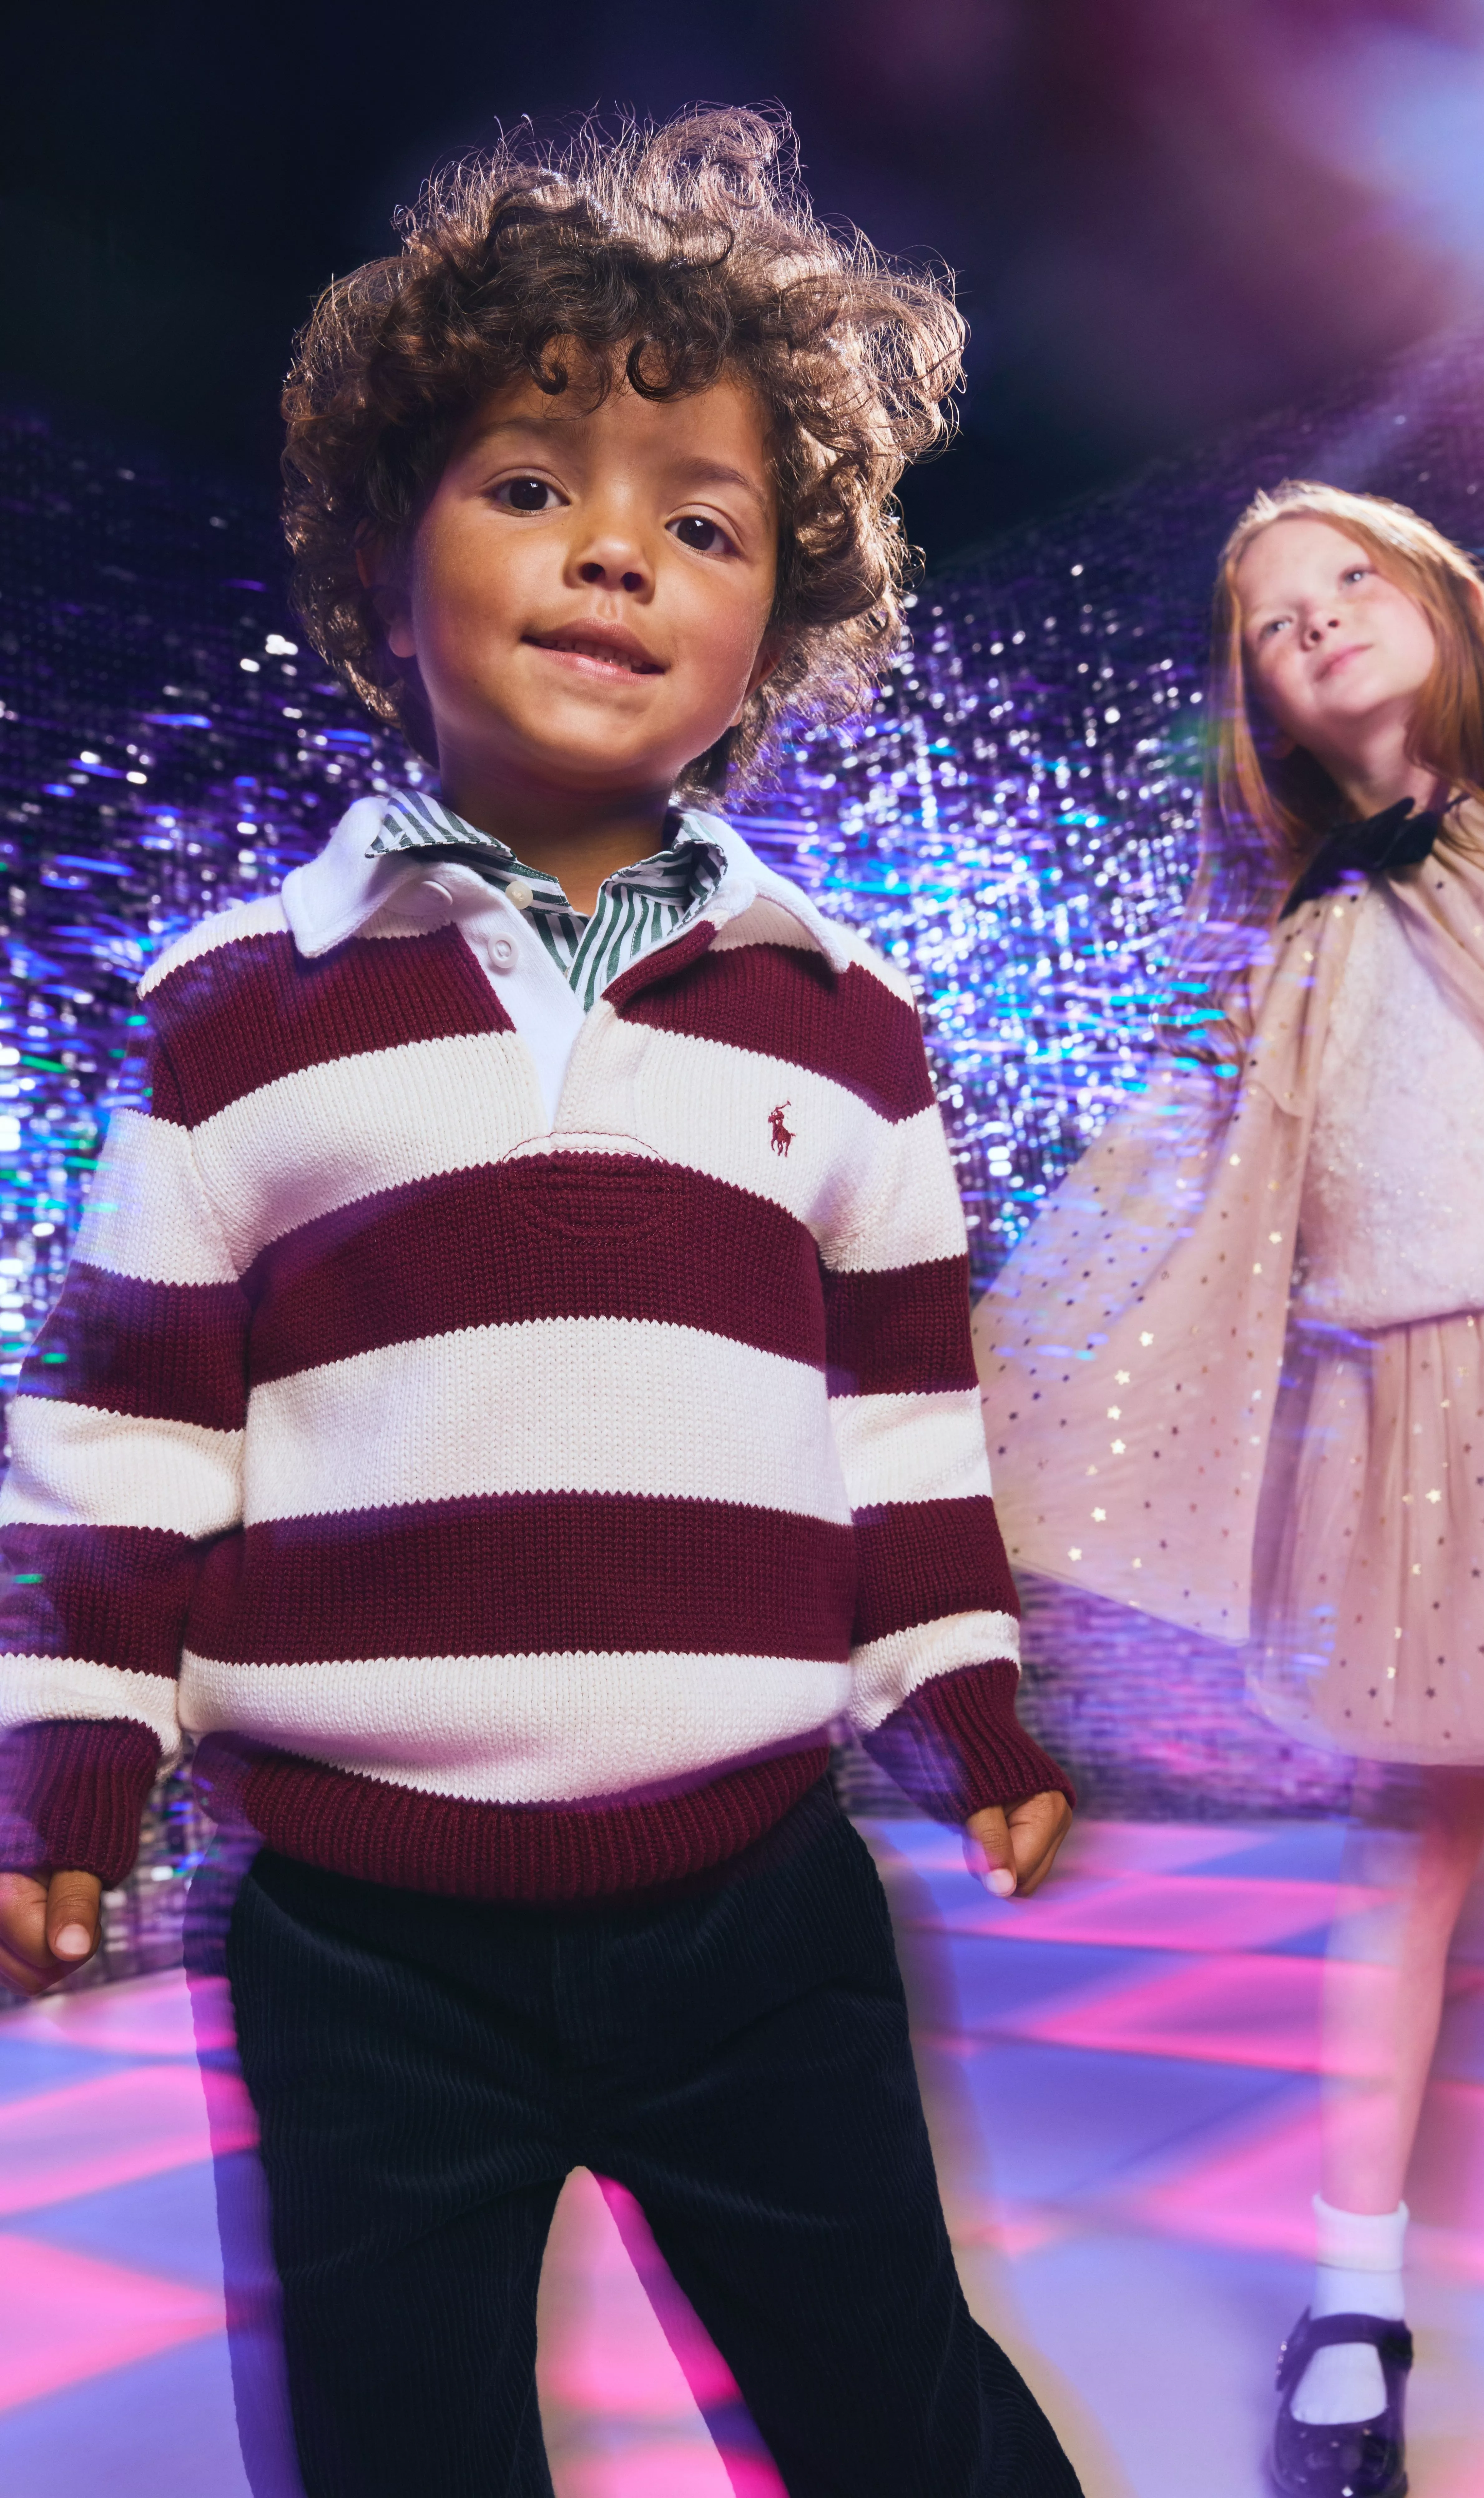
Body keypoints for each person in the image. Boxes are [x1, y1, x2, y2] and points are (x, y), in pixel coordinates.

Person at [0, 109, 1080, 2498]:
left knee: (894, 2401)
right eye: (529, 484)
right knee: (400, 2445)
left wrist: (968, 1700)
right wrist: (77, 1749)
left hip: (756, 1898)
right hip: (363, 1945)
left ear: (768, 637)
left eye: (702, 521)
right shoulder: (228, 1016)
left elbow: (898, 1414)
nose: (617, 547)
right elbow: (132, 1437)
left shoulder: (843, 1021)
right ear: (385, 570)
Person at [973, 476, 1484, 2498]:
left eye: (1351, 581)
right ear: (1254, 697)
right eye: (1277, 619)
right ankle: (1350, 2302)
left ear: (1444, 603)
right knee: (1413, 1837)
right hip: (1417, 1417)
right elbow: (1212, 1204)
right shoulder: (1292, 939)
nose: (1319, 623)